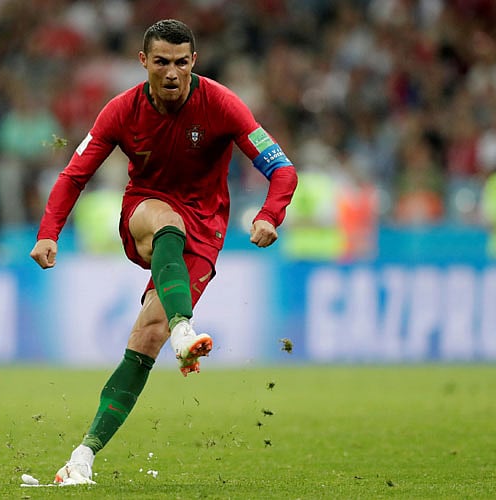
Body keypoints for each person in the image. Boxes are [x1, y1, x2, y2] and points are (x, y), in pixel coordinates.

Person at [29, 19, 298, 485]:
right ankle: (183, 328)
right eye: (161, 63)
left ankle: (81, 457)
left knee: (144, 339)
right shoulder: (120, 111)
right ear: (144, 62)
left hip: (206, 230)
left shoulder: (222, 104)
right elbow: (74, 175)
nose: (171, 73)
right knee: (166, 222)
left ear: (193, 61)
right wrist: (49, 231)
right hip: (146, 213)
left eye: (180, 62)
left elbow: (284, 170)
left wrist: (269, 215)